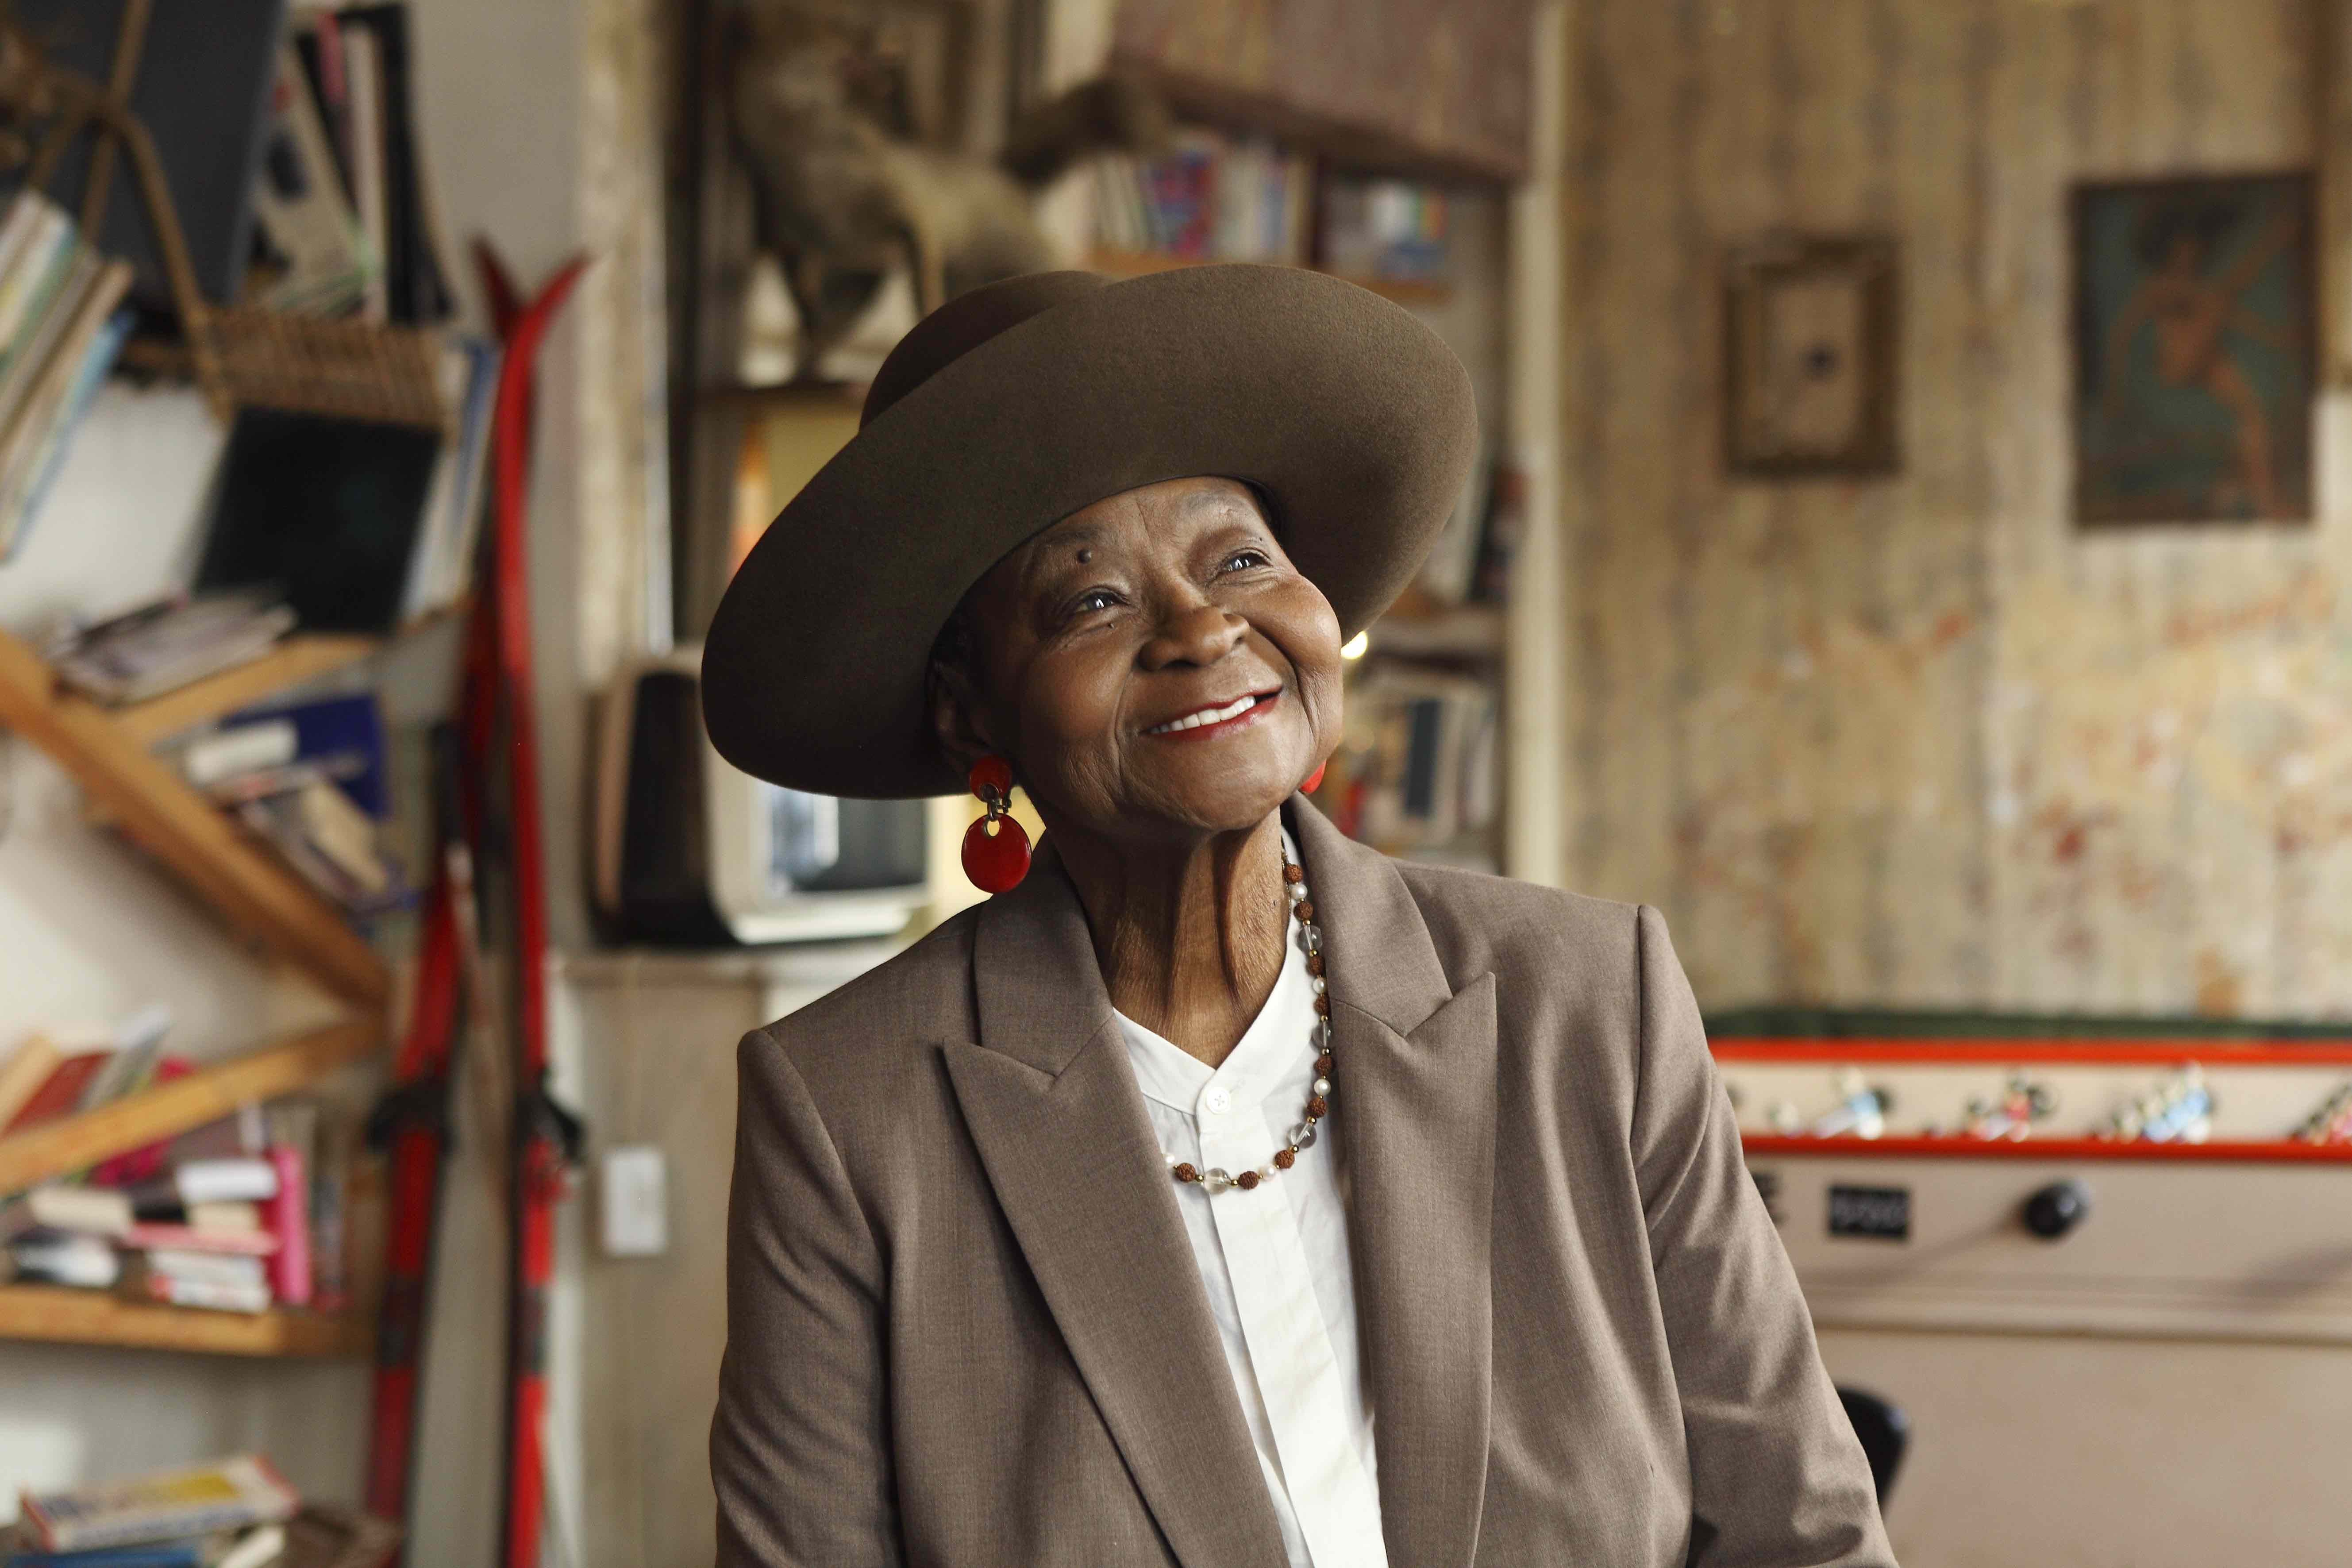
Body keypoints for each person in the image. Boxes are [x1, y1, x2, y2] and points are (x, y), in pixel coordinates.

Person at [700, 266, 1895, 1568]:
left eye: (1240, 559)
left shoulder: (1589, 998)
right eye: (1090, 600)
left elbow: (1802, 1533)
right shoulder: (848, 1110)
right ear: (969, 711)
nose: (1203, 628)